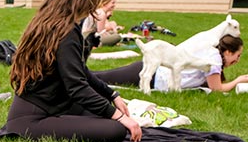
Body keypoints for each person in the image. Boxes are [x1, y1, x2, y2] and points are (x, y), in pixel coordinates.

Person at [0, 0, 142, 142]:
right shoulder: (65, 32)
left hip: (52, 105)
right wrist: (120, 117)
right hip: (32, 120)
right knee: (115, 129)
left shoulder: (50, 23)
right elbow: (77, 87)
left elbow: (80, 70)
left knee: (103, 112)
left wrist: (112, 95)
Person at [93, 35, 248, 93]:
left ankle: (73, 74)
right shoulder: (213, 61)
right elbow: (217, 89)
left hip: (151, 72)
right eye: (237, 55)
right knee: (99, 77)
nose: (237, 60)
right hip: (154, 76)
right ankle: (71, 73)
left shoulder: (212, 56)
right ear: (227, 52)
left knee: (99, 77)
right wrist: (239, 80)